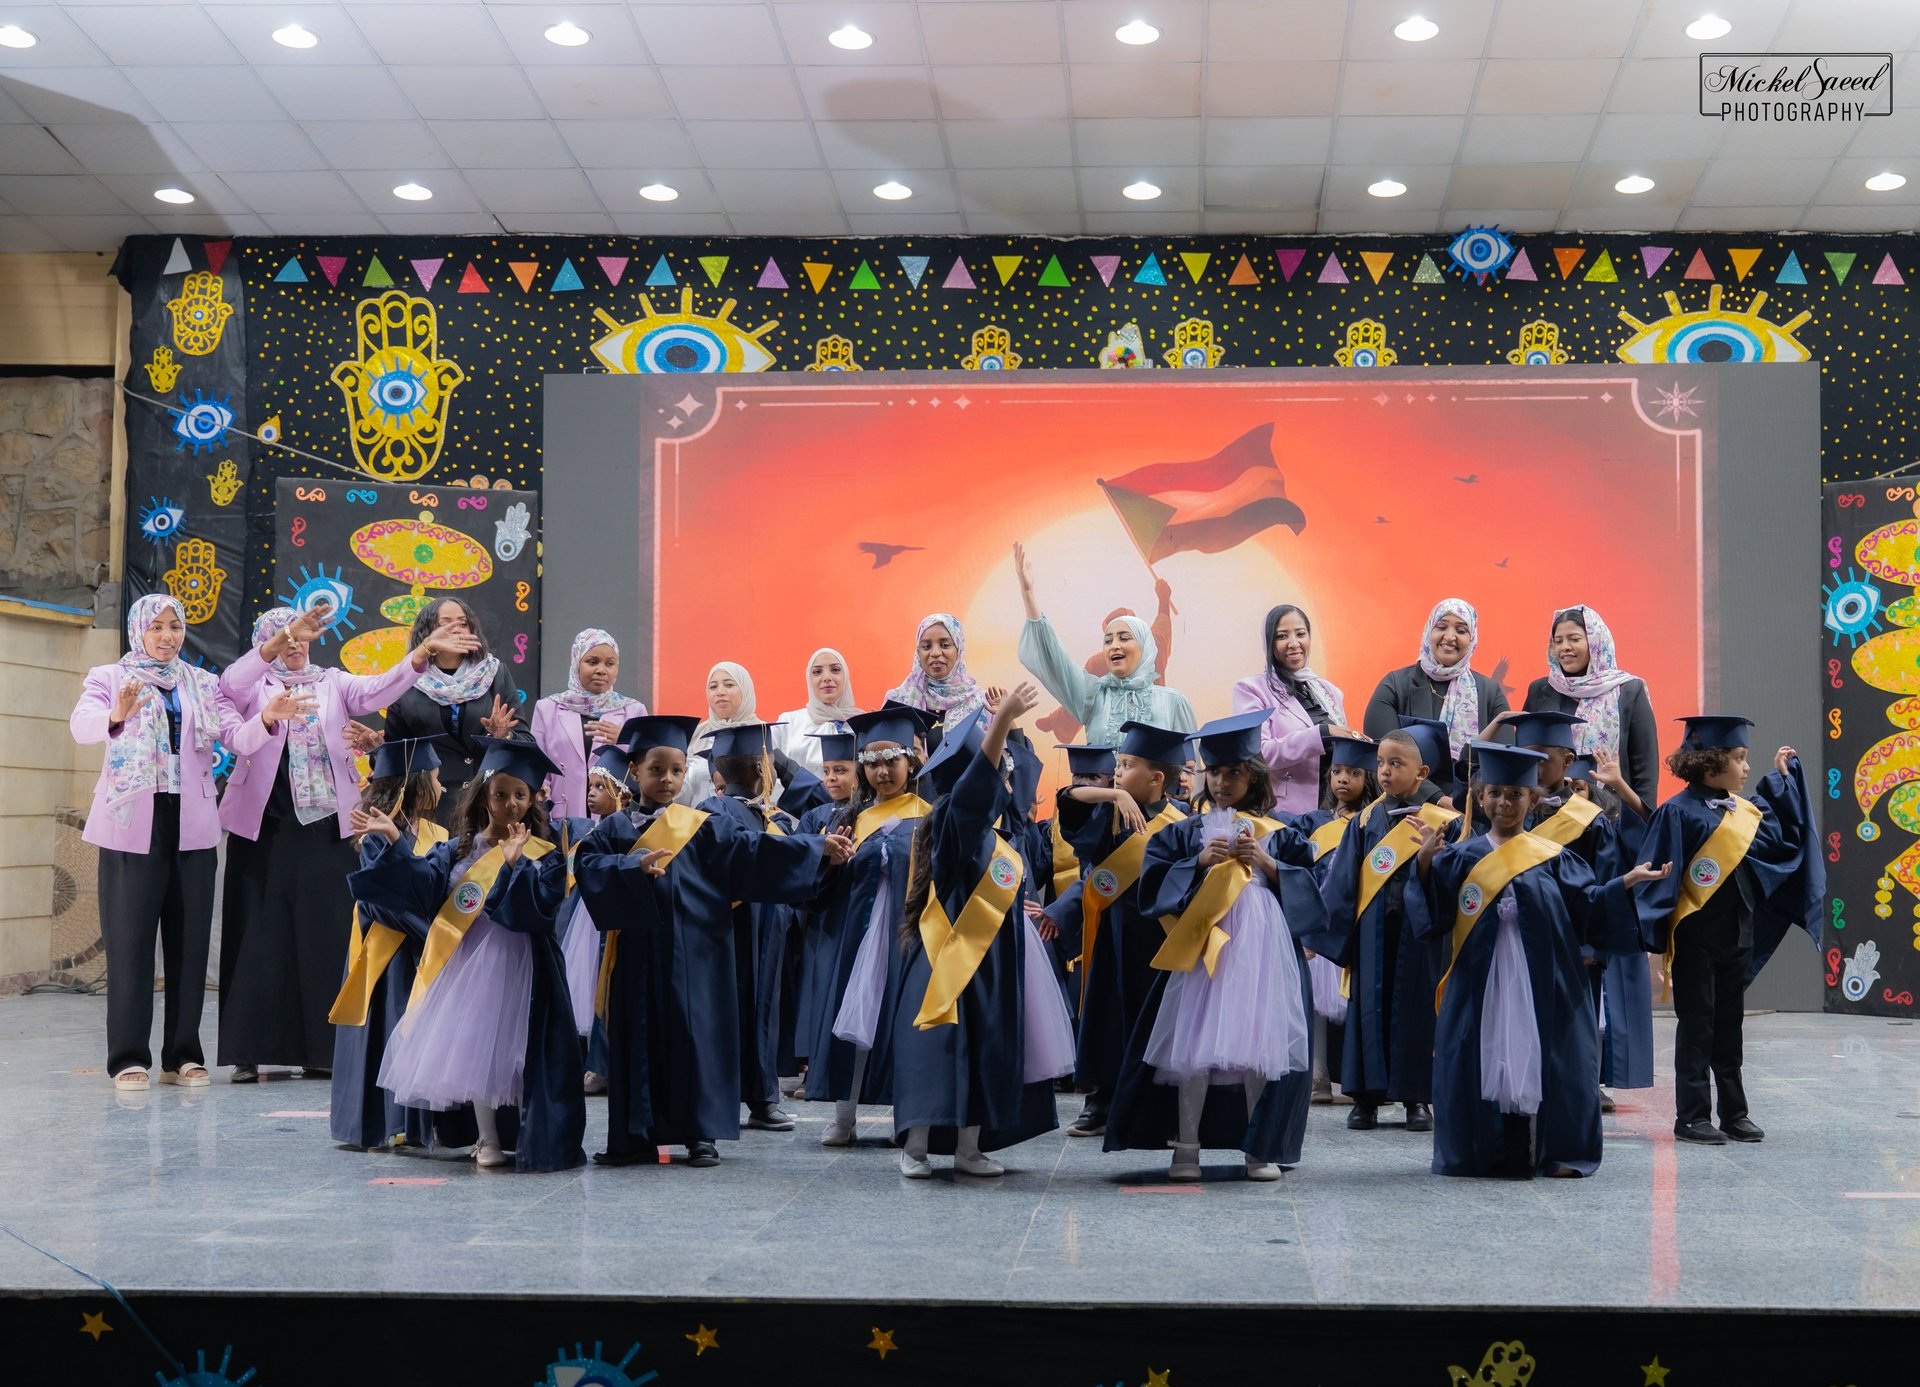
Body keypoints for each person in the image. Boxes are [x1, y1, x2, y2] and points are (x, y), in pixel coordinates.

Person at [573, 715, 850, 1168]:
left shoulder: (699, 825)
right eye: (656, 769)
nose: (666, 779)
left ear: (688, 774)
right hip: (636, 957)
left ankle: (700, 1134)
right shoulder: (613, 830)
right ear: (635, 771)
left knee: (694, 1039)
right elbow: (588, 869)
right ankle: (634, 1136)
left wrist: (813, 849)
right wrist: (629, 870)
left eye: (676, 771)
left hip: (696, 954)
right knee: (636, 1042)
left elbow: (751, 852)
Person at [216, 604, 466, 1082]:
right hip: (265, 825)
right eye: (285, 637)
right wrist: (270, 690)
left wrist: (421, 654)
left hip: (329, 824)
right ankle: (249, 1049)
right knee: (258, 931)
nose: (295, 645)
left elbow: (377, 689)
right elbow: (230, 691)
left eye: (303, 636)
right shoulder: (251, 686)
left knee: (324, 933)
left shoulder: (331, 681)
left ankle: (322, 1049)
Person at [1408, 743, 1667, 1178]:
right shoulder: (1458, 857)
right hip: (1482, 977)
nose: (1503, 802)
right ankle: (1480, 1150)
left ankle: (1561, 1151)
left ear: (1532, 799)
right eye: (1494, 793)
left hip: (1541, 976)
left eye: (1514, 794)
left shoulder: (1554, 858)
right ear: (1480, 797)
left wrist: (1624, 883)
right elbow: (1432, 919)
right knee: (1485, 1052)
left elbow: (1586, 906)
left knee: (1554, 1055)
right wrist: (1423, 865)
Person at [1104, 709, 1334, 1182]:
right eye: (1216, 772)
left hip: (1262, 955)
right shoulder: (1184, 833)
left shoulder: (1282, 834)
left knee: (1259, 1045)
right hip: (1202, 951)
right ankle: (1185, 1148)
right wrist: (1197, 865)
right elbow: (1152, 890)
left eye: (1236, 773)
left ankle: (1258, 1148)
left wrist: (1270, 866)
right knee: (1193, 1045)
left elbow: (1312, 889)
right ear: (1203, 775)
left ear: (1256, 776)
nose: (1224, 782)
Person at [348, 739, 585, 1172]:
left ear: (533, 799)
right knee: (477, 1050)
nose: (510, 804)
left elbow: (539, 909)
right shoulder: (459, 848)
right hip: (467, 965)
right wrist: (394, 839)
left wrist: (513, 865)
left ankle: (530, 1134)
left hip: (524, 963)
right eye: (500, 794)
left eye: (520, 795)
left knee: (520, 1054)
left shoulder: (545, 854)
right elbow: (422, 888)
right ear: (483, 796)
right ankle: (487, 1139)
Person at [890, 687, 1076, 1178]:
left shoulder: (995, 838)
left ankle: (969, 1147)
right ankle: (915, 1147)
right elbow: (976, 793)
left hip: (990, 961)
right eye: (998, 777)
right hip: (946, 958)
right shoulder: (953, 821)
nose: (1003, 786)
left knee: (986, 1044)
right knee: (939, 1049)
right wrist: (1001, 723)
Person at [70, 593, 246, 1092]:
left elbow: (237, 735)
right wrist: (115, 715)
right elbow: (80, 727)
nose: (167, 636)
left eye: (175, 626)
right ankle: (128, 1058)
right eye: (157, 627)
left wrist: (267, 718)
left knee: (189, 943)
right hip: (131, 822)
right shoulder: (109, 678)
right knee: (130, 942)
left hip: (191, 820)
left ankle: (183, 1056)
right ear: (138, 631)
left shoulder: (201, 682)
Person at [1630, 719, 1821, 1146]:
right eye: (1739, 759)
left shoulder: (1742, 810)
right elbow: (1659, 873)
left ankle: (1735, 1112)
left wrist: (1783, 780)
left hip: (1739, 932)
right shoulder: (1677, 812)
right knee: (1697, 1026)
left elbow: (1782, 839)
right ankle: (1692, 1115)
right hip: (1697, 936)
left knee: (1730, 1026)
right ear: (1710, 764)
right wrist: (1654, 940)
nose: (1745, 767)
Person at [1047, 721, 1189, 1138]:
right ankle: (1101, 1101)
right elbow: (1068, 799)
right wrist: (1113, 793)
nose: (1117, 773)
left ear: (1157, 778)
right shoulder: (1111, 815)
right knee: (1107, 1017)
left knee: (1156, 1023)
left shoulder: (1181, 824)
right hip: (1111, 934)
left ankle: (1153, 1107)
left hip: (1160, 938)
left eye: (1126, 766)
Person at [1319, 721, 1458, 1132]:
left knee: (1417, 1011)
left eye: (1396, 763)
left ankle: (1417, 1099)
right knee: (1368, 1010)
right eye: (1380, 762)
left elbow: (1454, 877)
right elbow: (1342, 882)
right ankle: (1366, 1098)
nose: (1384, 771)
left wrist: (1432, 862)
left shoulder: (1442, 819)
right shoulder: (1365, 822)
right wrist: (1325, 932)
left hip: (1420, 931)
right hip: (1372, 932)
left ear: (1422, 773)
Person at [1510, 714, 1653, 1112]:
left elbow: (1603, 878)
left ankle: (1581, 1085)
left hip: (1573, 939)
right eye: (1525, 756)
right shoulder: (1506, 806)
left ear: (1567, 759)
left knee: (1578, 1019)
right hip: (1514, 936)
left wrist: (1592, 940)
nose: (1533, 765)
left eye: (1542, 757)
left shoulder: (1587, 820)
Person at [806, 708, 932, 1145]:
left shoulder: (928, 816)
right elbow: (826, 886)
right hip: (859, 936)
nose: (881, 771)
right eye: (872, 762)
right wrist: (831, 861)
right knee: (854, 1019)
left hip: (909, 933)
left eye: (891, 761)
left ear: (911, 762)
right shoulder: (851, 819)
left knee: (905, 1022)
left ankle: (908, 1118)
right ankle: (845, 1117)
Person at [696, 720, 816, 1133]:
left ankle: (763, 1097)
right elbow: (746, 853)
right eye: (763, 763)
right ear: (757, 771)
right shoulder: (715, 811)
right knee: (733, 1011)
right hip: (731, 928)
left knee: (762, 1012)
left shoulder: (774, 817)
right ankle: (737, 1098)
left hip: (768, 931)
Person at [327, 736, 446, 1151]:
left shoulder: (438, 833)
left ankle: (418, 1125)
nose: (442, 787)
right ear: (415, 784)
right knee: (385, 1028)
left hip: (420, 951)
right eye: (435, 778)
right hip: (388, 952)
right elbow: (376, 899)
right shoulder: (374, 834)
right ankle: (382, 1123)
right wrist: (429, 929)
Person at [1013, 541, 1197, 746]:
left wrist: (1164, 598)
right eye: (1108, 640)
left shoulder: (1172, 700)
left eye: (1124, 637)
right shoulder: (1096, 692)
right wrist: (1028, 594)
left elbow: (1163, 622)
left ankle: (1059, 721)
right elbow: (1055, 660)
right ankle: (1059, 721)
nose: (1114, 645)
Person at [1285, 734, 1378, 1103]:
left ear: (1368, 778)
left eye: (1353, 772)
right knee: (1315, 1002)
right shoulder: (1313, 821)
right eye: (1337, 771)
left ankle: (1361, 1078)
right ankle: (1318, 1073)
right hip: (1321, 920)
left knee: (1353, 999)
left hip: (1354, 919)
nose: (1342, 779)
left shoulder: (1374, 821)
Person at [375, 598, 523, 828]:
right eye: (445, 622)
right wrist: (376, 750)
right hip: (429, 808)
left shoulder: (495, 673)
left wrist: (503, 735)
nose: (456, 628)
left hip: (485, 802)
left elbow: (525, 740)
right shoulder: (408, 678)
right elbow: (397, 752)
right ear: (427, 632)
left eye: (463, 623)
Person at [1523, 604, 1661, 811]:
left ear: (1596, 643)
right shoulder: (1541, 689)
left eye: (1574, 639)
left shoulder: (1629, 690)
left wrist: (1645, 822)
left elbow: (1644, 767)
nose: (1564, 647)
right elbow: (1527, 754)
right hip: (1547, 812)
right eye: (1558, 641)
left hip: (1612, 814)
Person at [1232, 603, 1357, 816]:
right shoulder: (1251, 689)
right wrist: (1322, 733)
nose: (1294, 643)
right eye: (1282, 636)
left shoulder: (1329, 691)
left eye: (1301, 634)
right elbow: (1258, 754)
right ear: (1269, 643)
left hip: (1334, 809)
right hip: (1284, 813)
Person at [1363, 598, 1510, 761]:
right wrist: (1433, 788)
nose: (1449, 637)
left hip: (1472, 786)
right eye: (1441, 627)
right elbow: (1382, 758)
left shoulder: (1490, 692)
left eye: (1461, 631)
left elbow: (1503, 760)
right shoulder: (1395, 684)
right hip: (1407, 786)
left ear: (1472, 639)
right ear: (1429, 631)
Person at [1035, 579, 1175, 744]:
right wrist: (1164, 597)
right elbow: (1163, 620)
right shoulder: (1155, 644)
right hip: (1154, 729)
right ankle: (1059, 721)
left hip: (1123, 734)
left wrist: (1056, 721)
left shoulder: (1100, 662)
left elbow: (1080, 696)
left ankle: (1059, 722)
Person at [529, 628, 648, 822]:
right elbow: (537, 766)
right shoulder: (547, 708)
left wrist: (625, 738)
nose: (601, 669)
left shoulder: (633, 710)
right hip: (560, 820)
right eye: (592, 662)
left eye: (610, 663)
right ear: (576, 663)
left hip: (616, 819)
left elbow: (645, 769)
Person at [883, 612, 987, 731]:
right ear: (918, 652)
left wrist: (1005, 717)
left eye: (945, 645)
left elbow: (1001, 748)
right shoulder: (897, 701)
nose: (935, 653)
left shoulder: (983, 702)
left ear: (959, 648)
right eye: (926, 647)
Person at [773, 647, 862, 776]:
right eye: (817, 672)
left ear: (846, 675)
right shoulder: (788, 723)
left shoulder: (861, 724)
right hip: (797, 796)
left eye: (835, 670)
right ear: (809, 679)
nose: (826, 677)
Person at [678, 661, 757, 807]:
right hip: (699, 822)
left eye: (729, 685)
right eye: (713, 687)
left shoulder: (763, 732)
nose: (720, 692)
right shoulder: (696, 736)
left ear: (745, 689)